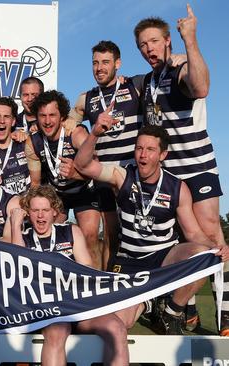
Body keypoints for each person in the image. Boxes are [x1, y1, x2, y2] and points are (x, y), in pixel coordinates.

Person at [75, 122, 229, 334]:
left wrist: (216, 246)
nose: (143, 155)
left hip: (163, 258)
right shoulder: (123, 177)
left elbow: (193, 233)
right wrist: (94, 133)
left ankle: (172, 312)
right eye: (139, 148)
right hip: (129, 262)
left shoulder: (177, 187)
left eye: (150, 149)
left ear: (163, 155)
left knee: (204, 255)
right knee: (122, 322)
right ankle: (149, 301)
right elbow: (82, 165)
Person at [134, 7, 229, 333]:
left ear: (167, 41)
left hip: (197, 166)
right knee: (180, 242)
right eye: (143, 45)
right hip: (169, 175)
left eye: (154, 42)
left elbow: (200, 88)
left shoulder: (181, 66)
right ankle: (185, 311)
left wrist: (191, 39)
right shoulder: (148, 81)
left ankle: (226, 312)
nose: (149, 49)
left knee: (212, 236)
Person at [11, 185, 128, 366]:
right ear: (28, 213)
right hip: (45, 310)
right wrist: (15, 226)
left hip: (75, 306)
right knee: (58, 331)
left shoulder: (70, 232)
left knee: (116, 328)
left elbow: (86, 270)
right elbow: (17, 264)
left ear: (55, 212)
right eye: (35, 210)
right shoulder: (23, 238)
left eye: (45, 210)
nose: (40, 215)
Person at [68, 40, 144, 270]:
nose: (99, 68)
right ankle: (108, 288)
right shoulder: (86, 98)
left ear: (117, 64)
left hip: (131, 175)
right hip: (102, 176)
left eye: (105, 62)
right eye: (95, 63)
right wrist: (81, 136)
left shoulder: (135, 87)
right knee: (110, 234)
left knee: (137, 235)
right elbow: (69, 126)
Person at [25, 90, 103, 269]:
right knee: (48, 237)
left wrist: (76, 173)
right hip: (57, 194)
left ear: (62, 117)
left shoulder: (75, 134)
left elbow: (96, 167)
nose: (47, 121)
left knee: (90, 236)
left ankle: (97, 287)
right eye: (42, 115)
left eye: (52, 115)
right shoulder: (32, 142)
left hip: (84, 190)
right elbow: (35, 183)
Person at [0, 97, 30, 196]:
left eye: (7, 116)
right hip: (1, 208)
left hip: (27, 205)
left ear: (13, 121)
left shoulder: (25, 144)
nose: (2, 121)